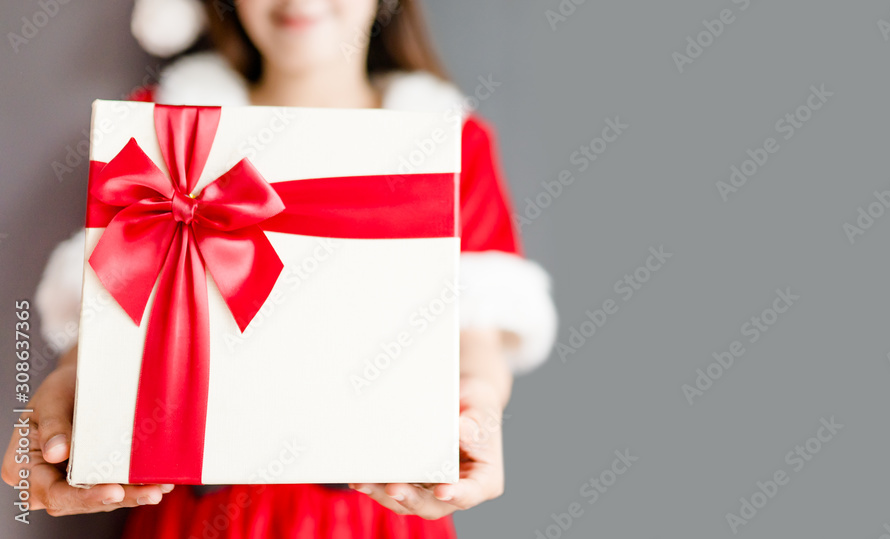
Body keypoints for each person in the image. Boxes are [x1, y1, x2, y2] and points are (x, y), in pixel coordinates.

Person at [1, 0, 557, 536]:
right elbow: (118, 297)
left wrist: (477, 407)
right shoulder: (160, 128)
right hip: (196, 514)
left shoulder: (457, 144)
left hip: (375, 514)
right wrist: (77, 385)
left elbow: (475, 328)